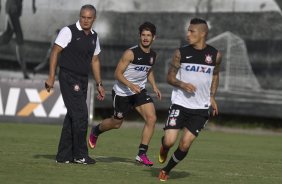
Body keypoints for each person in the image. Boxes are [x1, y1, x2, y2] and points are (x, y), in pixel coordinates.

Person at [88, 22, 161, 166]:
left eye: (148, 35)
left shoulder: (153, 55)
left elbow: (149, 70)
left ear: (154, 38)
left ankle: (142, 154)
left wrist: (154, 86)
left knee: (152, 118)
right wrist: (131, 85)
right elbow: (117, 73)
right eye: (143, 35)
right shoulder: (130, 53)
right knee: (116, 123)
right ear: (139, 36)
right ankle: (96, 130)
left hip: (139, 91)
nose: (145, 38)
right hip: (122, 92)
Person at [158, 18, 222, 181]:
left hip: (200, 109)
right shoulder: (181, 53)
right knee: (169, 141)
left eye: (191, 31)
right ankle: (164, 147)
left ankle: (166, 170)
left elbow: (215, 75)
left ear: (203, 33)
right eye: (188, 30)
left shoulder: (215, 55)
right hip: (180, 104)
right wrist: (182, 84)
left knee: (185, 144)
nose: (188, 34)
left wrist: (212, 96)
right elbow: (170, 77)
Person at [45, 4, 105, 164]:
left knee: (72, 117)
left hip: (83, 79)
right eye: (82, 17)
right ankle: (80, 155)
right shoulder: (68, 31)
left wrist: (99, 84)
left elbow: (95, 60)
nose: (85, 20)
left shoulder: (94, 36)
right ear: (80, 16)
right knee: (81, 115)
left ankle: (63, 156)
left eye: (89, 18)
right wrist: (51, 77)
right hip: (68, 76)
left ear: (94, 19)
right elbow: (55, 52)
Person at [0, 0, 36, 79]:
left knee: (7, 36)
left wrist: (33, 4)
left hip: (15, 7)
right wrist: (33, 5)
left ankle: (25, 73)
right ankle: (24, 73)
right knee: (19, 37)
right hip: (12, 7)